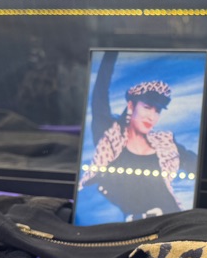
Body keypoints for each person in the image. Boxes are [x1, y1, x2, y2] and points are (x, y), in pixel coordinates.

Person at [79, 52, 198, 220]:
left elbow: (198, 166)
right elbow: (100, 92)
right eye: (147, 107)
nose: (152, 117)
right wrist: (110, 52)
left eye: (157, 111)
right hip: (126, 228)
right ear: (131, 106)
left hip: (170, 224)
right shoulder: (109, 137)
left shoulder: (166, 144)